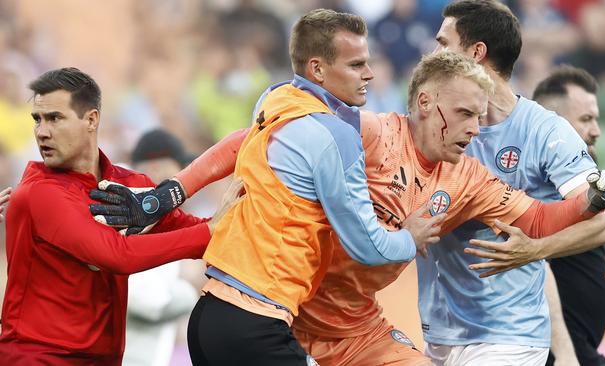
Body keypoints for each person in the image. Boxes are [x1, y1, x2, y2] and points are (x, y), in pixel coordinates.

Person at [93, 49, 605, 366]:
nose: (477, 128)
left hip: (357, 327)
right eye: (466, 113)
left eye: (481, 116)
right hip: (286, 310)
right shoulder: (368, 134)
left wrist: (592, 197)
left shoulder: (469, 177)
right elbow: (252, 139)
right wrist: (170, 192)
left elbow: (538, 219)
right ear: (426, 104)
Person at [91, 9, 443, 365]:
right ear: (318, 69)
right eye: (356, 65)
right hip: (255, 324)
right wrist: (408, 239)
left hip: (209, 317)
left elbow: (237, 143)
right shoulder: (333, 136)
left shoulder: (275, 100)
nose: (368, 73)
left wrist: (170, 193)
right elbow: (366, 245)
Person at [417, 1, 605, 365]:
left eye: (443, 43)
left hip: (508, 336)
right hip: (440, 331)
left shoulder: (545, 131)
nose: (434, 54)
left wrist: (535, 250)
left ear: (475, 53)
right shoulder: (435, 124)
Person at [0, 67, 238, 365]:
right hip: (38, 357)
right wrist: (209, 233)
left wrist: (232, 223)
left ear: (91, 119)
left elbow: (194, 230)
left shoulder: (129, 184)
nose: (41, 132)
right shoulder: (38, 193)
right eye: (37, 119)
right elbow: (117, 256)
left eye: (55, 118)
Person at [532, 65, 605, 365]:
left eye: (596, 119)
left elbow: (565, 257)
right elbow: (536, 264)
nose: (597, 130)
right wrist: (565, 354)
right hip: (562, 353)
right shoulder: (537, 185)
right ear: (554, 125)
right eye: (586, 119)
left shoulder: (575, 187)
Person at [122, 129, 200, 366]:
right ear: (157, 169)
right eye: (179, 171)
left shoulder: (161, 222)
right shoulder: (126, 220)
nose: (185, 182)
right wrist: (192, 290)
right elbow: (150, 303)